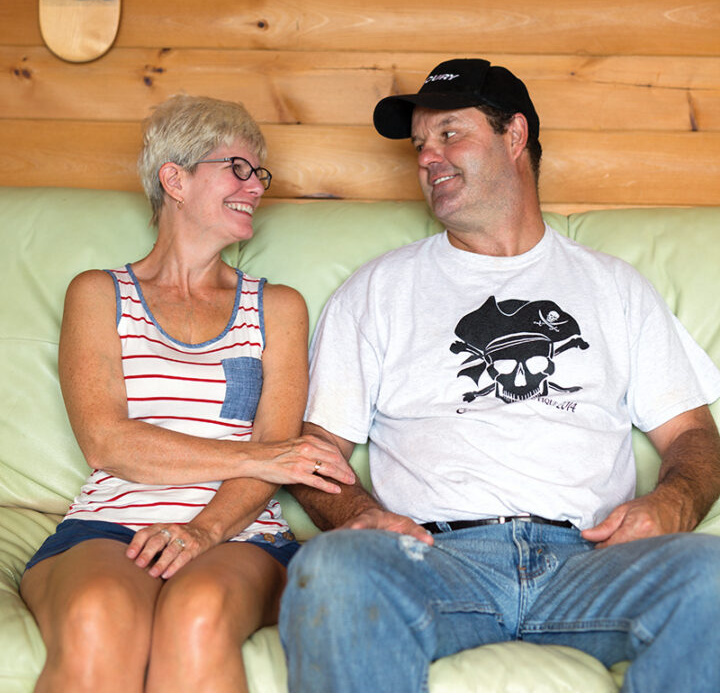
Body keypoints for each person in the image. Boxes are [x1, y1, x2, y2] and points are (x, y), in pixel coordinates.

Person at [279, 58, 720, 693]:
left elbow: (694, 435)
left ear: (514, 137)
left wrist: (672, 501)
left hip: (590, 562)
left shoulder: (614, 286)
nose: (429, 157)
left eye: (450, 134)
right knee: (334, 568)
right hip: (434, 561)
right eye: (419, 146)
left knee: (711, 577)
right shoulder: (378, 289)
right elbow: (317, 450)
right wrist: (356, 515)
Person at [20, 94, 353, 693]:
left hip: (239, 532)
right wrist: (258, 455)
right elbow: (107, 443)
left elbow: (277, 450)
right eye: (238, 168)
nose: (256, 187)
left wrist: (203, 530)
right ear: (173, 178)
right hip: (109, 524)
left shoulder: (277, 308)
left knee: (197, 615)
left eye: (261, 174)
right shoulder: (97, 295)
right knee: (97, 618)